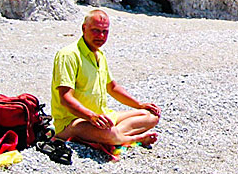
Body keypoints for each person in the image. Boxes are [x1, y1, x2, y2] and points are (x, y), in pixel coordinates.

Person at [51, 9, 160, 146]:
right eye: (96, 30)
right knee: (110, 133)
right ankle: (133, 139)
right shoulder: (68, 55)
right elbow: (66, 98)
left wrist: (139, 105)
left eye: (105, 32)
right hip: (73, 121)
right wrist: (91, 116)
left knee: (151, 116)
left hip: (100, 116)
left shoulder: (99, 55)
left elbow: (112, 88)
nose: (101, 36)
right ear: (84, 28)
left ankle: (113, 135)